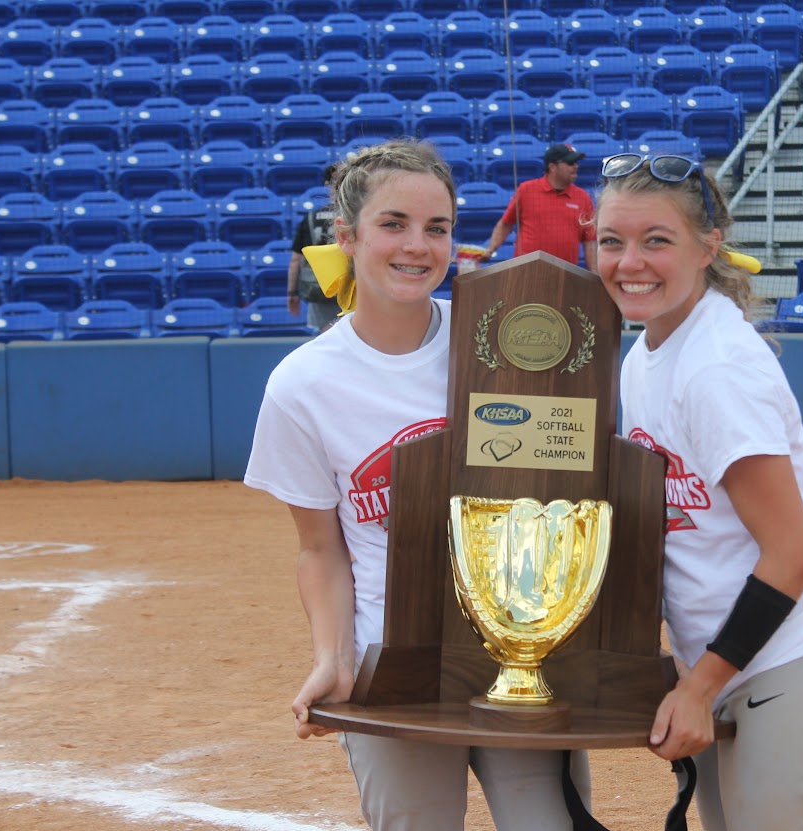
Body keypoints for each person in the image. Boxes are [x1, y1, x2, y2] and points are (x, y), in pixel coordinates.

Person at [245, 139, 590, 831]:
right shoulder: (302, 386)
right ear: (346, 236)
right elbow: (320, 550)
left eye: (437, 228)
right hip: (393, 670)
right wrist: (333, 658)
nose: (418, 246)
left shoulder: (502, 339)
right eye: (393, 224)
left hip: (521, 662)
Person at [593, 153, 803, 831]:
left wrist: (698, 684)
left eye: (656, 240)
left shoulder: (715, 367)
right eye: (612, 240)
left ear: (708, 246)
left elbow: (791, 554)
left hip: (790, 668)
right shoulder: (645, 355)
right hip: (737, 671)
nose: (629, 261)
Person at [481, 143, 597, 268]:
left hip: (565, 275)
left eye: (576, 163)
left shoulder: (582, 197)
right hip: (528, 272)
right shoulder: (527, 190)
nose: (575, 166)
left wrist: (597, 275)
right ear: (552, 166)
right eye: (570, 163)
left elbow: (590, 240)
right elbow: (506, 224)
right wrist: (490, 250)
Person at [287, 164, 343, 333]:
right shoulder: (361, 216)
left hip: (320, 287)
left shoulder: (311, 218)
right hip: (352, 286)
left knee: (327, 336)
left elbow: (296, 260)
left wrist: (292, 293)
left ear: (328, 186)